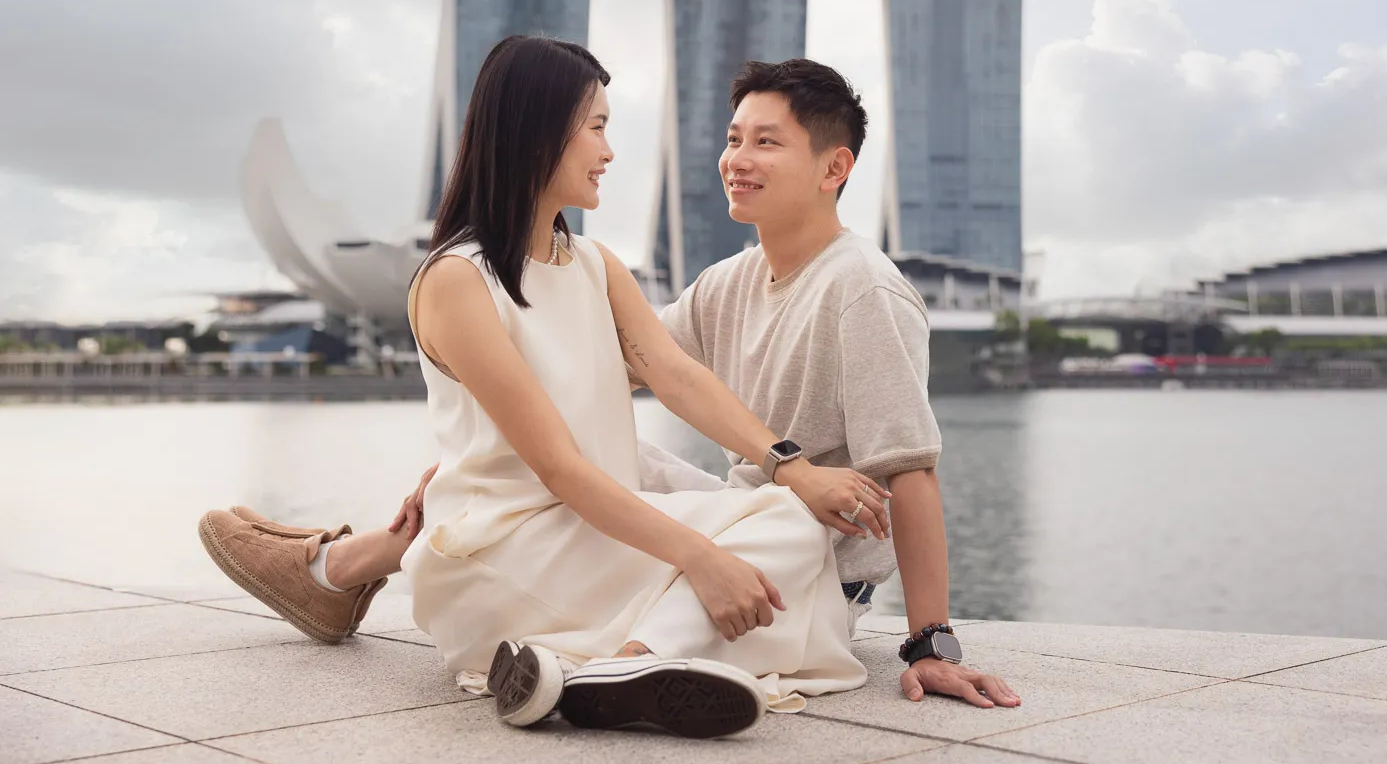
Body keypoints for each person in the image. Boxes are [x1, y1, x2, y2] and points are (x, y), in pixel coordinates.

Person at [202, 55, 1021, 713]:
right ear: (534, 137)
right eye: (595, 127)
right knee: (772, 518)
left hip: (580, 527)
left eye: (764, 143)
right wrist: (709, 544)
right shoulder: (462, 280)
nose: (610, 148)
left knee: (774, 509)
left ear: (833, 167)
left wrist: (795, 478)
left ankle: (378, 585)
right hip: (517, 542)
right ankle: (603, 652)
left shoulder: (598, 265)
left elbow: (674, 375)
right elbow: (567, 448)